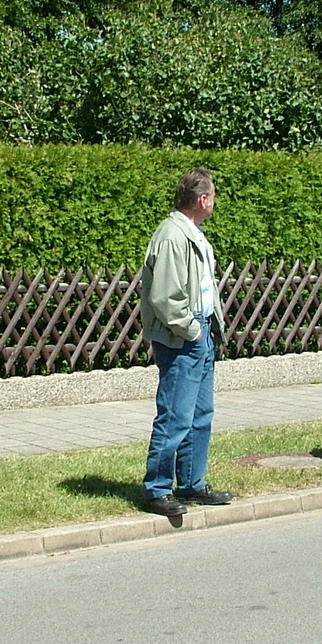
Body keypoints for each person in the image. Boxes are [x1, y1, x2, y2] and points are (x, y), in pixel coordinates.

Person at [140, 168, 234, 522]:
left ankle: (192, 482)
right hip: (183, 337)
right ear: (203, 199)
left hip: (201, 332)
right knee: (175, 415)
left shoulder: (190, 233)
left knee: (200, 414)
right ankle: (158, 489)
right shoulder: (172, 236)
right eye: (213, 196)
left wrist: (206, 330)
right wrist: (193, 330)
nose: (214, 203)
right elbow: (165, 298)